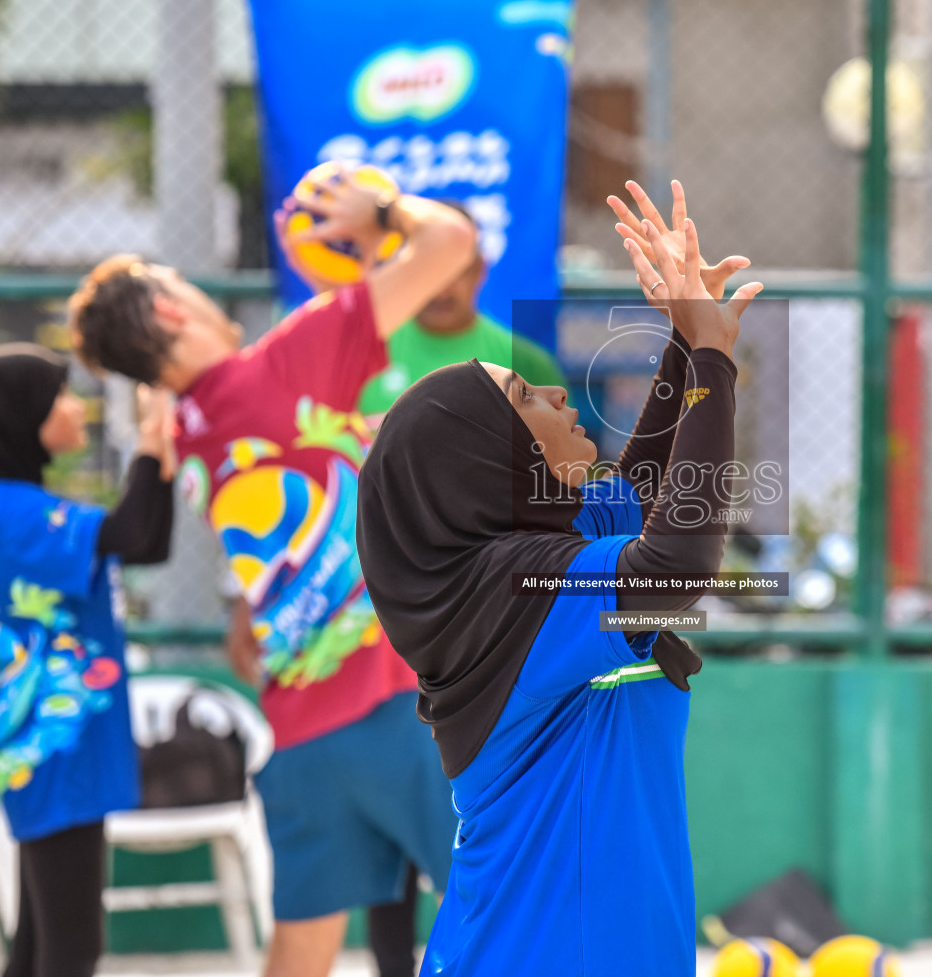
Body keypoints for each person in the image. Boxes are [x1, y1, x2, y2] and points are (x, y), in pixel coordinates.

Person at [65, 167, 471, 977]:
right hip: (394, 702)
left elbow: (286, 508)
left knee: (301, 951)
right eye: (180, 281)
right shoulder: (289, 362)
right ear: (173, 310)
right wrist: (381, 213)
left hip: (300, 725)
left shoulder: (190, 425)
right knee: (516, 906)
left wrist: (247, 609)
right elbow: (453, 243)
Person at [356, 181, 759, 977]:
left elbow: (643, 500)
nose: (548, 390)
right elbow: (676, 563)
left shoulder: (540, 556)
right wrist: (711, 359)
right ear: (490, 458)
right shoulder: (517, 592)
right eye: (519, 396)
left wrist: (686, 339)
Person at [0, 343, 175, 977]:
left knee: (38, 948)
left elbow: (144, 543)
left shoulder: (12, 505)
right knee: (71, 948)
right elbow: (129, 532)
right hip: (52, 742)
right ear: (16, 417)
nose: (77, 407)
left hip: (59, 738)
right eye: (58, 396)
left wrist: (160, 454)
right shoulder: (6, 511)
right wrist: (149, 438)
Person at [355, 202, 568, 420]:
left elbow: (560, 452)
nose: (442, 289)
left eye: (456, 270)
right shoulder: (357, 359)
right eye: (429, 269)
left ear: (479, 269)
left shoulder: (528, 366)